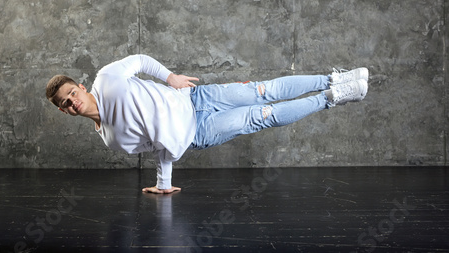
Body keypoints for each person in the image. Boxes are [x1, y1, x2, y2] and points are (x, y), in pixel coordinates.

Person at [46, 54, 368, 194]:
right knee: (262, 115)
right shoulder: (112, 140)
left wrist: (170, 77)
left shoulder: (108, 77)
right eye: (65, 102)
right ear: (65, 111)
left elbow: (142, 61)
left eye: (72, 92)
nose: (72, 101)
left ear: (82, 87)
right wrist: (163, 183)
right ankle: (334, 96)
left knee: (263, 90)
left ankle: (335, 78)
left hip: (197, 98)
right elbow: (162, 147)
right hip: (198, 133)